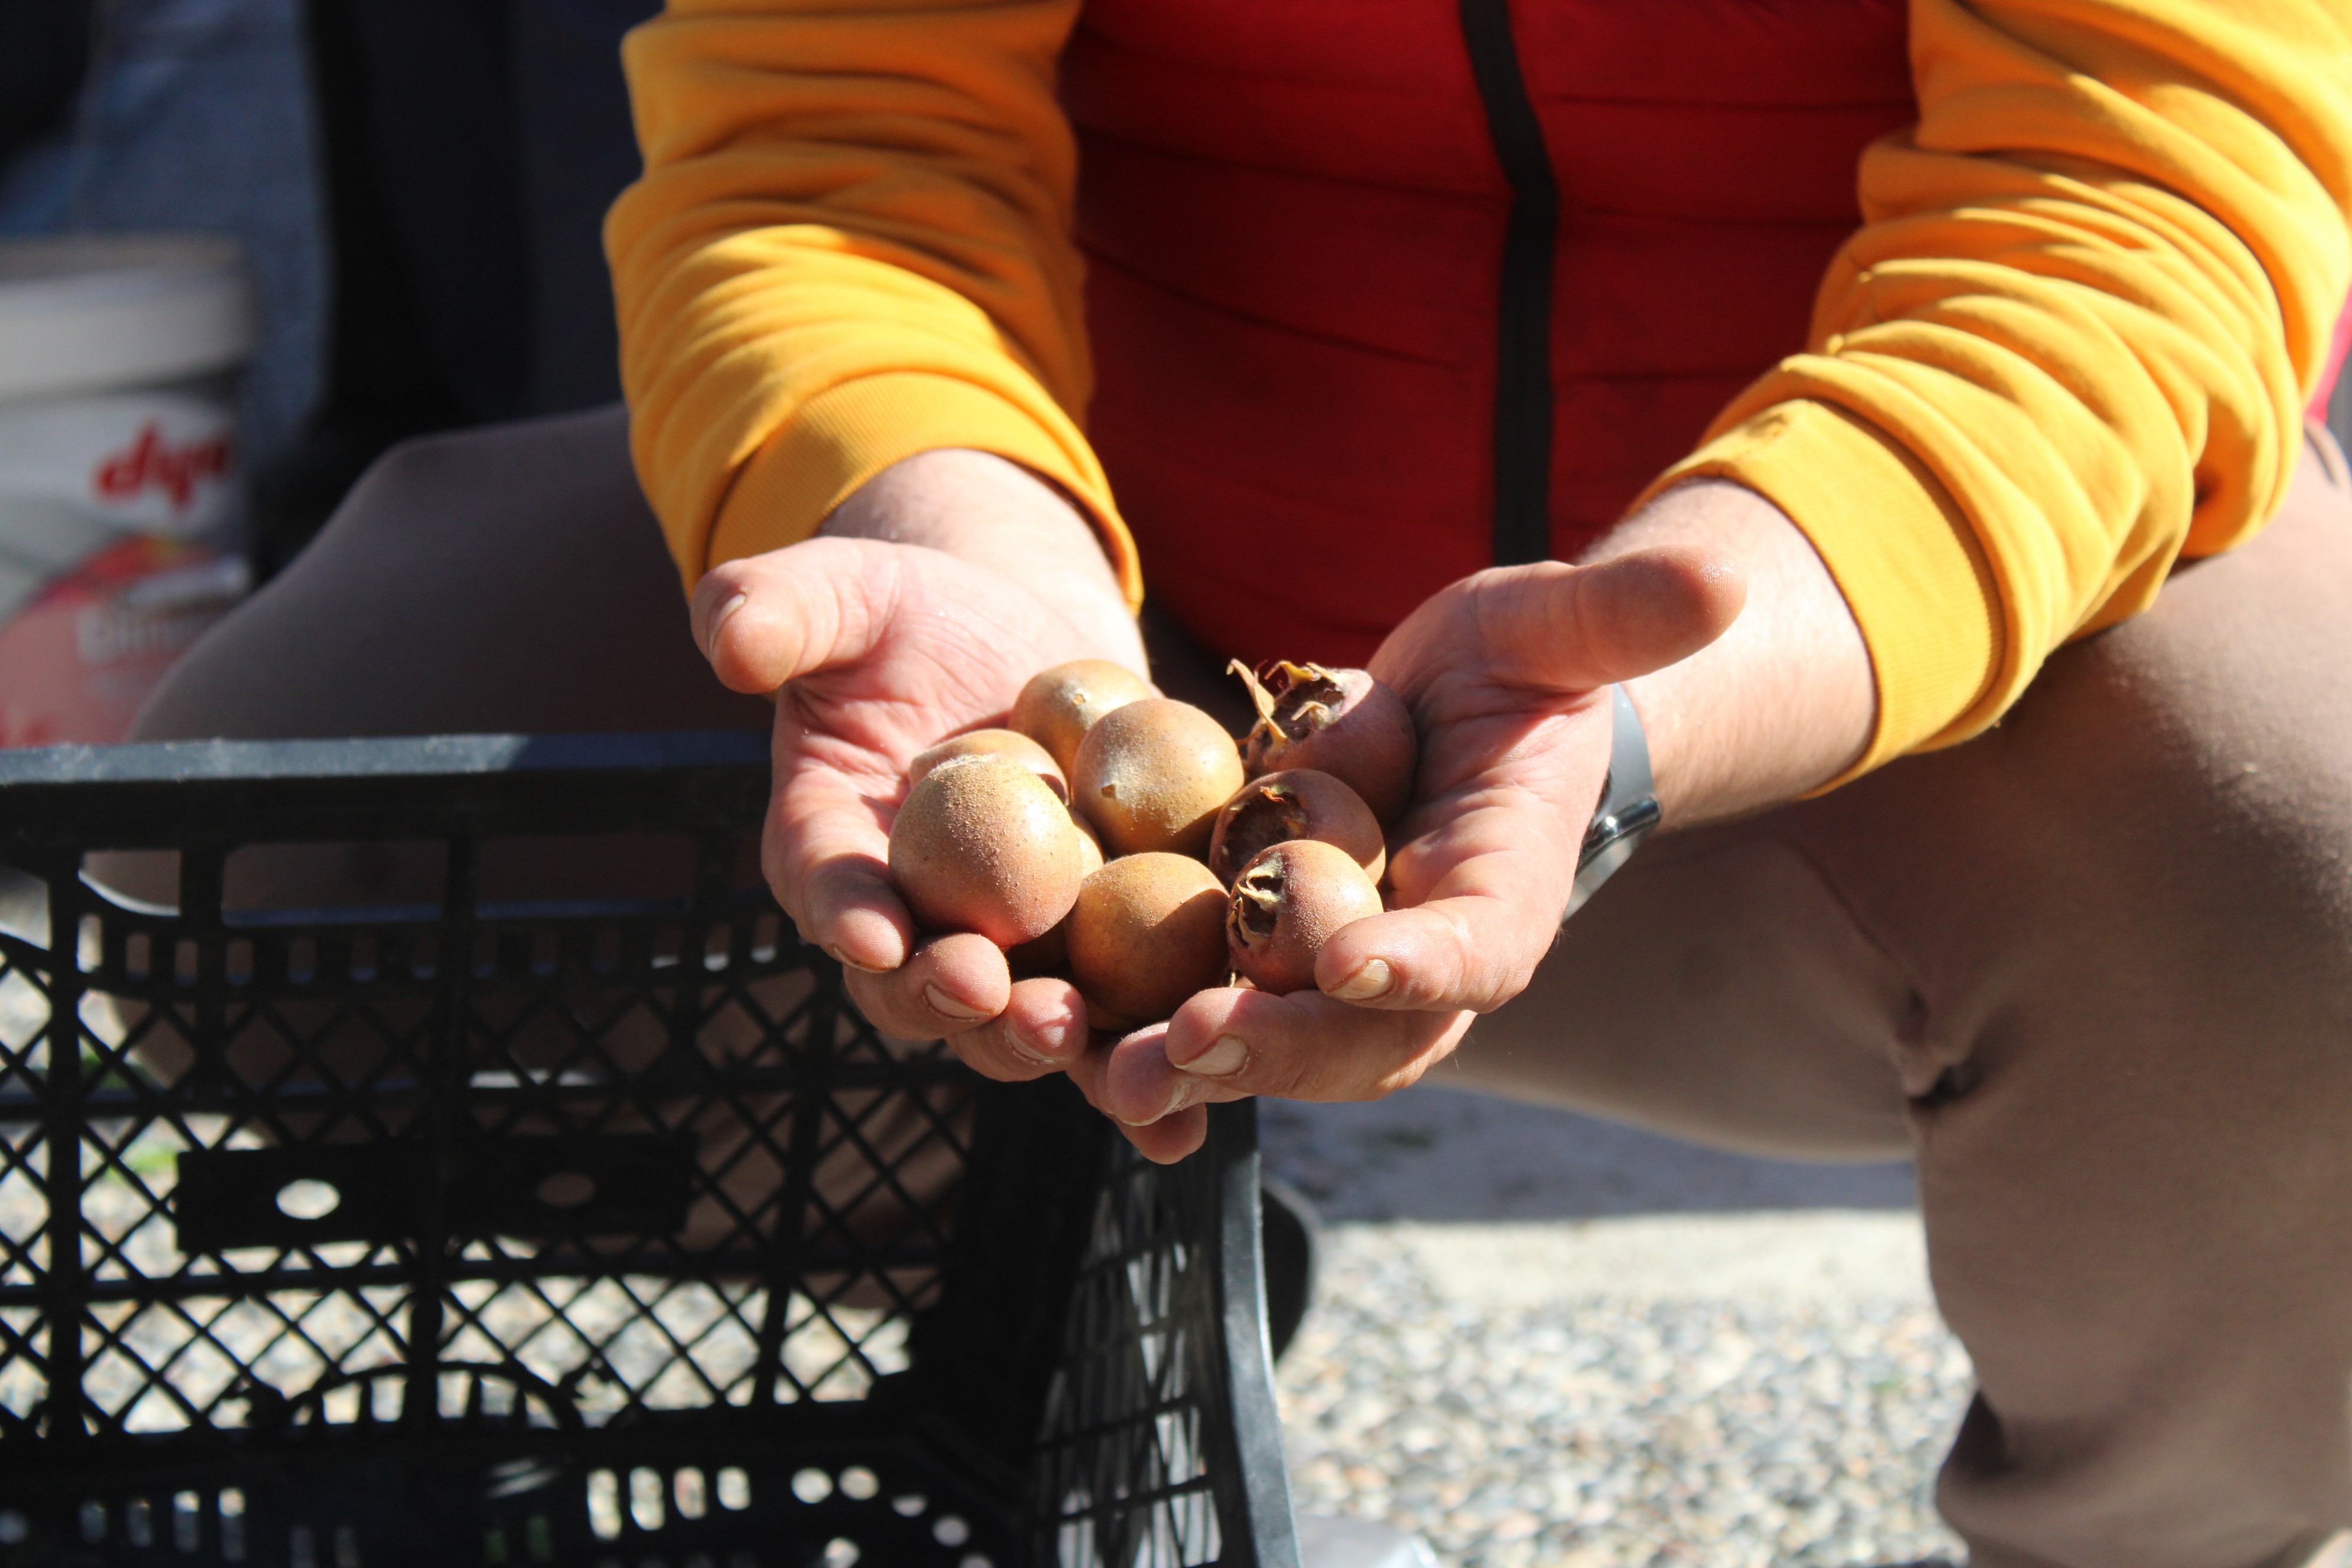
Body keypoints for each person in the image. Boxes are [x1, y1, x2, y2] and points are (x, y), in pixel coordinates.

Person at [130, 0, 2352, 1563]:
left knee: (2313, 845)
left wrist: (1683, 658)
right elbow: (828, 137)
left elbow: (2134, 213)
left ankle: (2161, 1542)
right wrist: (944, 524)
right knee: (255, 827)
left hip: (1830, 687)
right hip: (1125, 625)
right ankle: (1110, 1265)